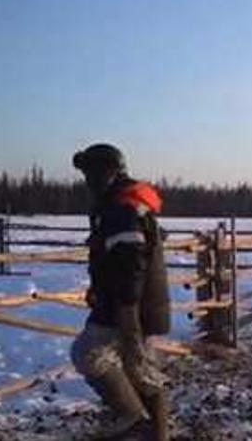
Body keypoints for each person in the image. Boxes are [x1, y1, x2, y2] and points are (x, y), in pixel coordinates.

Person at [70, 143, 171, 441]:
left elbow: (130, 263)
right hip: (137, 304)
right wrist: (99, 287)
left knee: (88, 354)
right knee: (139, 369)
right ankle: (156, 433)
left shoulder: (121, 209)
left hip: (127, 307)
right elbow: (118, 259)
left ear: (106, 174)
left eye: (90, 175)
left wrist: (126, 308)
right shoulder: (126, 204)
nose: (88, 183)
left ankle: (133, 419)